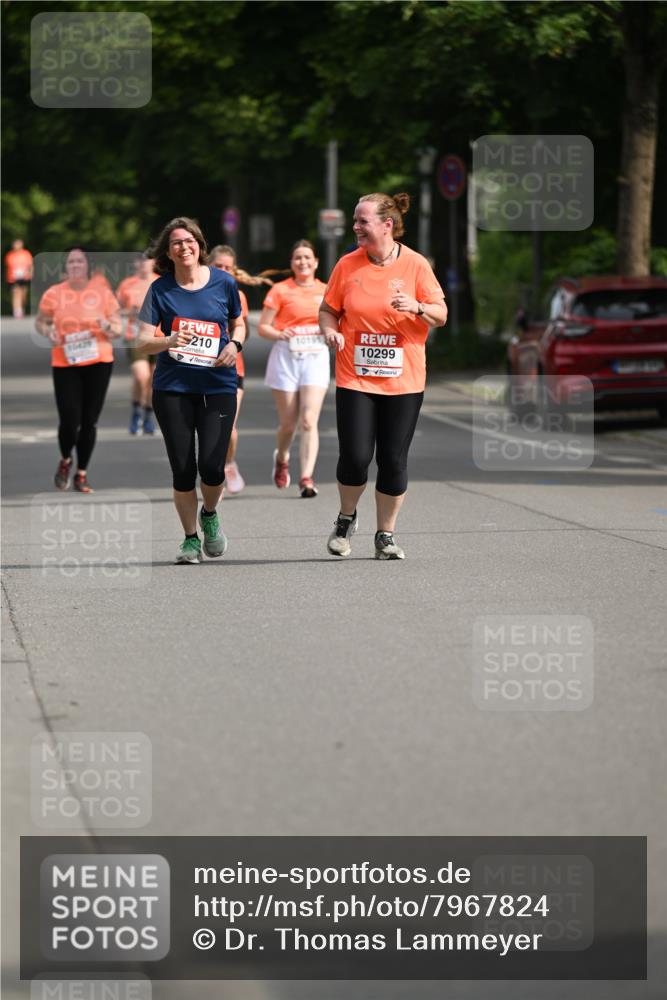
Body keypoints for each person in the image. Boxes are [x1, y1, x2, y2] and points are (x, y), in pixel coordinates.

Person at [319, 192, 447, 560]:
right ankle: (345, 519)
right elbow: (327, 310)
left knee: (393, 459)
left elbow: (441, 313)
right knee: (356, 457)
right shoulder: (347, 265)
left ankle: (385, 535)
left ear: (386, 225)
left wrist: (419, 306)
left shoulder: (416, 265)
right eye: (355, 220)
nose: (356, 227)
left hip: (403, 379)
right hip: (355, 376)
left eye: (362, 221)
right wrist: (330, 330)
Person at [136, 217, 245, 564]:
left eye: (190, 241)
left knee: (212, 466)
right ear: (168, 252)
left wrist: (236, 346)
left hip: (218, 386)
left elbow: (238, 323)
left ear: (200, 245)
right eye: (177, 243)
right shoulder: (160, 289)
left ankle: (209, 514)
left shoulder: (224, 283)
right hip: (173, 388)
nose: (185, 247)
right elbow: (141, 341)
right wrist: (167, 339)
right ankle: (189, 539)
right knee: (183, 468)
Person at [35, 247, 122, 493]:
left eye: (79, 261)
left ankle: (81, 473)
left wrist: (106, 325)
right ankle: (66, 460)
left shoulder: (103, 293)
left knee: (89, 421)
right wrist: (48, 331)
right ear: (66, 267)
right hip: (65, 363)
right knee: (69, 419)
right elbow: (41, 321)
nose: (74, 265)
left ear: (87, 267)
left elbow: (117, 328)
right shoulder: (54, 293)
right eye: (70, 262)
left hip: (99, 361)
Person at [258, 240, 329, 497]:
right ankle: (283, 457)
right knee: (288, 424)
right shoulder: (280, 290)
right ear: (291, 263)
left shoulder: (327, 289)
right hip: (286, 357)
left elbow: (337, 321)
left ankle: (306, 478)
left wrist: (329, 331)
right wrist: (279, 332)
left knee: (309, 420)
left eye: (307, 257)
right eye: (298, 258)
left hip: (316, 357)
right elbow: (263, 327)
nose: (303, 262)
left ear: (316, 262)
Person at [209, 245, 272, 494]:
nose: (224, 271)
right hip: (201, 369)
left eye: (228, 268)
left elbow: (242, 330)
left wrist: (231, 347)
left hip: (233, 371)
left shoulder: (239, 296)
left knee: (228, 429)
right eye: (219, 267)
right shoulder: (196, 291)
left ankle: (228, 463)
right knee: (208, 428)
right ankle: (212, 474)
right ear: (209, 266)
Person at [116, 253, 159, 435]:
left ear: (154, 262)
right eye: (140, 260)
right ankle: (136, 413)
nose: (144, 264)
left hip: (158, 336)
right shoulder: (127, 285)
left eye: (147, 260)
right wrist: (129, 311)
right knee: (141, 377)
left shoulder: (162, 282)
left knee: (153, 380)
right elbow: (115, 310)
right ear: (135, 263)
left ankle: (148, 416)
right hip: (134, 335)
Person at [5, 239, 33, 318]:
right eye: (15, 244)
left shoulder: (26, 254)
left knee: (23, 294)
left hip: (24, 277)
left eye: (18, 244)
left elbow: (30, 265)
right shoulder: (10, 255)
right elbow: (8, 267)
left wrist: (30, 273)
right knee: (16, 293)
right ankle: (17, 311)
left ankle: (22, 307)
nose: (17, 246)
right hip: (13, 278)